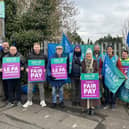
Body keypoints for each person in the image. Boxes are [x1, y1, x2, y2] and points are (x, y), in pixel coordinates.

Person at [99, 45, 127, 109]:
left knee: (113, 91)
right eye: (108, 49)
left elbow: (120, 67)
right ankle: (107, 103)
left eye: (110, 49)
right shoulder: (103, 57)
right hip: (105, 77)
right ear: (106, 50)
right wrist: (100, 74)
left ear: (112, 50)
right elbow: (100, 66)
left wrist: (123, 75)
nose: (109, 50)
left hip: (113, 78)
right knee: (106, 91)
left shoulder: (116, 58)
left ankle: (113, 103)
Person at [23, 43, 47, 108]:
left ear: (40, 48)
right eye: (35, 47)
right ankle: (29, 101)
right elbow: (25, 63)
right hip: (32, 75)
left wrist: (45, 69)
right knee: (29, 89)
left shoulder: (44, 55)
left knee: (41, 89)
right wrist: (26, 68)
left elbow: (46, 63)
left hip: (40, 75)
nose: (37, 48)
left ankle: (42, 100)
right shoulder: (29, 55)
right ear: (33, 48)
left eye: (38, 47)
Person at [81, 48, 98, 114]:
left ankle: (92, 107)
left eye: (89, 54)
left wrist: (94, 75)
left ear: (91, 55)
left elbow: (96, 70)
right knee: (86, 94)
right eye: (87, 54)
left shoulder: (95, 61)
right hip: (85, 80)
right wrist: (83, 75)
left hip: (93, 80)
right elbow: (82, 70)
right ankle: (87, 107)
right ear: (86, 55)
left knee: (93, 94)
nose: (88, 55)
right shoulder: (83, 62)